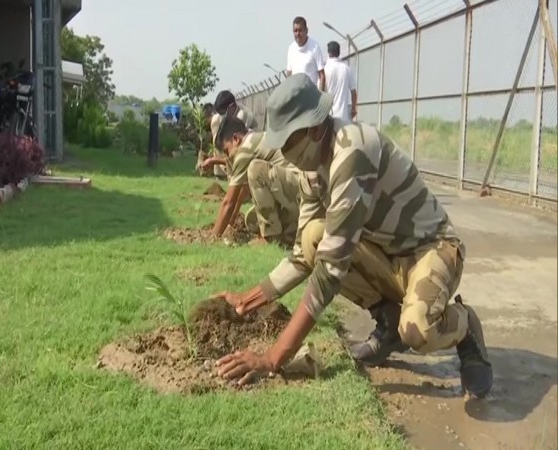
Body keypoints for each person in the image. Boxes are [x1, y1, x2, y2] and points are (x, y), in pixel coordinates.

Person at [214, 74, 493, 399]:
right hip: (386, 254)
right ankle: (388, 324)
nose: (283, 154)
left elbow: (330, 272)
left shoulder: (351, 153)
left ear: (315, 129)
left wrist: (272, 359)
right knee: (316, 237)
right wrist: (246, 300)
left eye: (287, 143)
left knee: (418, 329)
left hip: (431, 250)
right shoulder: (311, 166)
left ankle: (465, 327)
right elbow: (304, 255)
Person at [208, 114, 301, 247]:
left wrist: (213, 237)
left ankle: (269, 237)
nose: (228, 157)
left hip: (302, 192)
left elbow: (229, 201)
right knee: (251, 219)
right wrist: (231, 222)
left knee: (256, 170)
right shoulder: (255, 141)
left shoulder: (245, 150)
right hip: (295, 191)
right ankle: (289, 234)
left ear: (235, 139)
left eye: (227, 151)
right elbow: (242, 192)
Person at [286, 16, 326, 91]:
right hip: (296, 95)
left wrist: (320, 96)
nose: (298, 33)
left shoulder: (315, 47)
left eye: (300, 30)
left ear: (306, 31)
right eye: (295, 31)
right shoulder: (291, 49)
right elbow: (289, 74)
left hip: (310, 95)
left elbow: (322, 75)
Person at [324, 40, 357, 122]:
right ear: (339, 53)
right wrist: (353, 109)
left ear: (329, 54)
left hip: (328, 119)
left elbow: (319, 91)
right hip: (344, 118)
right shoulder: (346, 69)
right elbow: (353, 92)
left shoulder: (324, 70)